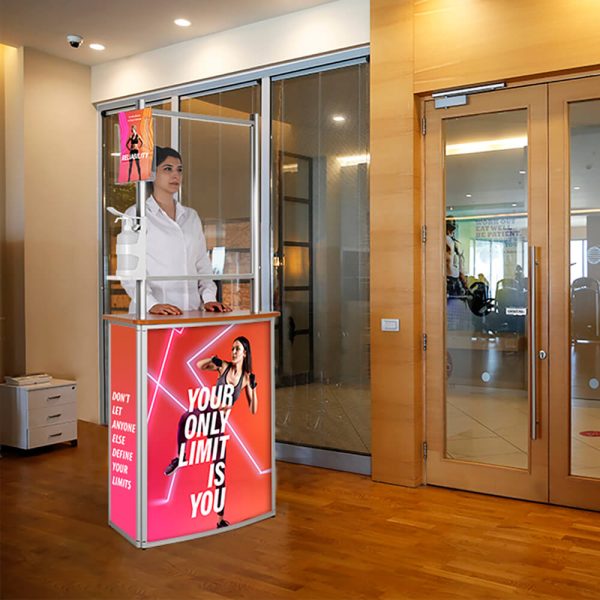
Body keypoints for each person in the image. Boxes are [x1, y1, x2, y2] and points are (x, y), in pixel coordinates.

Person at [122, 146, 231, 315]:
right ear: (152, 174)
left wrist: (209, 298)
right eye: (167, 169)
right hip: (152, 315)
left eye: (179, 170)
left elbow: (202, 263)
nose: (175, 175)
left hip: (191, 313)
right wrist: (151, 304)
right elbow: (129, 270)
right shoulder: (136, 215)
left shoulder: (191, 216)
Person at [164, 336, 258, 529]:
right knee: (184, 419)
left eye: (237, 349)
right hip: (206, 412)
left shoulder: (246, 378)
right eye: (232, 348)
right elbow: (199, 365)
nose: (233, 352)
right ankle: (180, 458)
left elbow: (253, 409)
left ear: (245, 353)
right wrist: (212, 360)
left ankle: (220, 519)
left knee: (219, 470)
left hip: (217, 423)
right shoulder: (223, 366)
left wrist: (254, 389)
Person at [445, 218, 467, 297]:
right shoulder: (446, 240)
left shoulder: (455, 243)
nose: (451, 232)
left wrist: (462, 276)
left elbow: (460, 261)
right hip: (449, 277)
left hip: (454, 278)